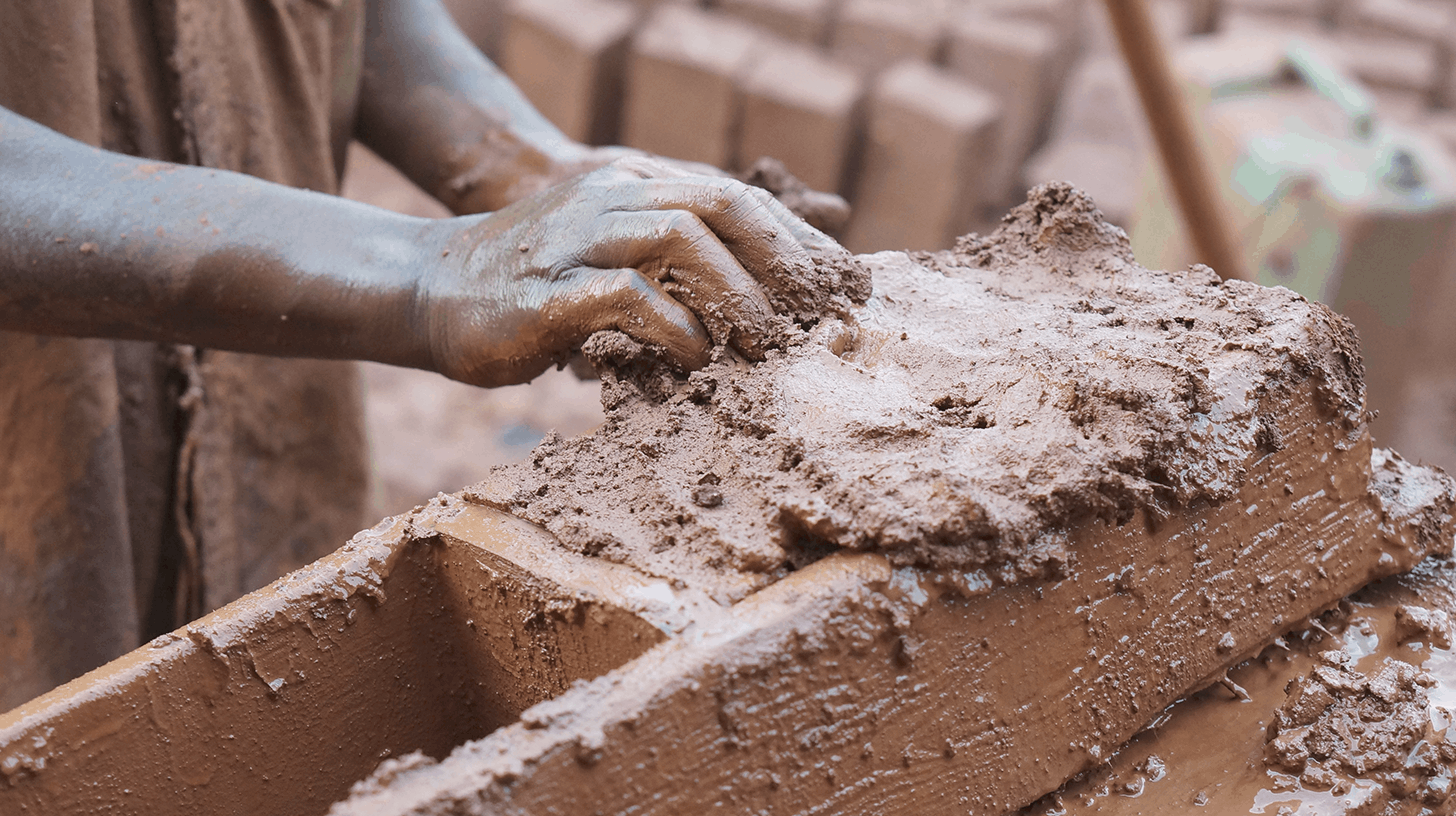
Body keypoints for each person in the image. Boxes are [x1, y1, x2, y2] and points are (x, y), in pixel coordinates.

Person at [0, 0, 845, 710]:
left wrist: (529, 167)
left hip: (279, 422)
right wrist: (425, 273)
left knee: (277, 690)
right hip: (39, 476)